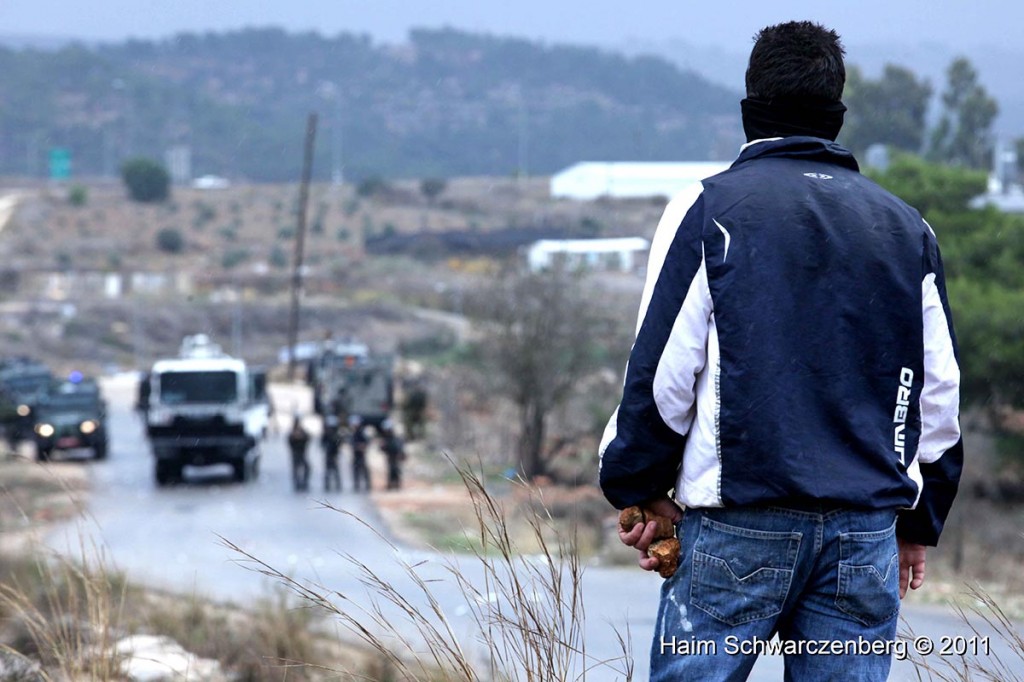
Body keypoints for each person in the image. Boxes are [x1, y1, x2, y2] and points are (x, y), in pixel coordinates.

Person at [598, 21, 962, 681]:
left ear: (749, 109)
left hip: (738, 525)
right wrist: (919, 520)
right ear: (837, 114)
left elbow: (662, 379)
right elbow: (937, 397)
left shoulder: (709, 209)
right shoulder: (908, 228)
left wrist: (638, 487)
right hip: (863, 535)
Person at [379, 419, 406, 491]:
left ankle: (396, 484)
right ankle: (391, 484)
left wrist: (401, 454)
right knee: (391, 470)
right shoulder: (386, 438)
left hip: (395, 455)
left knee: (395, 470)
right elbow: (383, 448)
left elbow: (399, 446)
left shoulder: (395, 437)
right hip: (390, 456)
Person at [287, 415, 311, 493]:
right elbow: (290, 442)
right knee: (296, 469)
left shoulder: (302, 431)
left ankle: (304, 483)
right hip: (296, 453)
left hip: (302, 453)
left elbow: (308, 439)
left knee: (306, 468)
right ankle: (297, 484)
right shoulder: (292, 432)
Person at [321, 415, 344, 492]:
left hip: (335, 454)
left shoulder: (337, 435)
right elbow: (323, 444)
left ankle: (338, 486)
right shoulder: (326, 435)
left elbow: (339, 443)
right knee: (328, 471)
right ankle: (327, 486)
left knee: (335, 471)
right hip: (329, 454)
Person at [350, 417, 371, 492]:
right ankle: (357, 485)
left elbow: (366, 443)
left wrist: (361, 446)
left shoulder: (362, 433)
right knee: (356, 470)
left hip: (361, 455)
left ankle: (368, 485)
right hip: (356, 455)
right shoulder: (354, 433)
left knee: (364, 470)